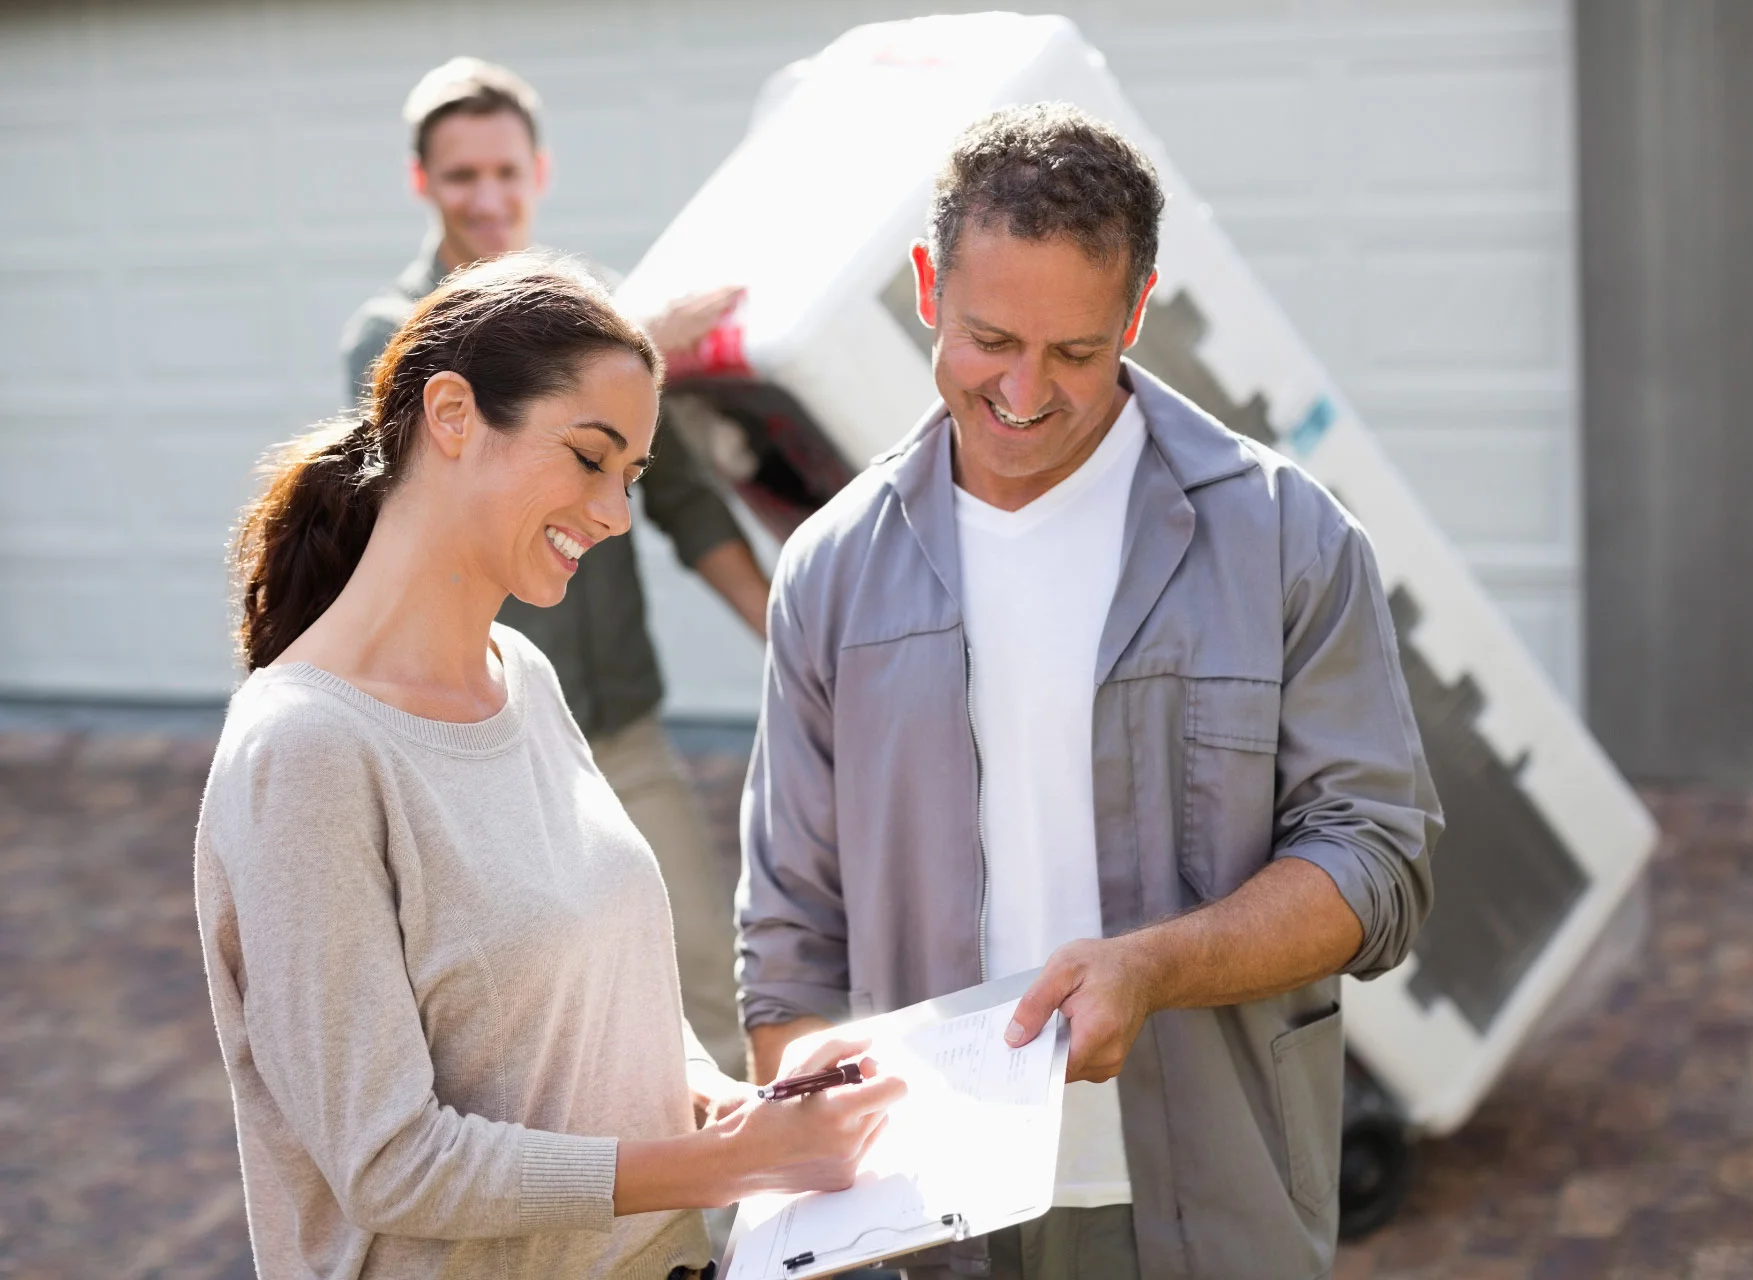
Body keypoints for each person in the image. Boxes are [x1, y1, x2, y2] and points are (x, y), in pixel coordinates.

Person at [737, 104, 1442, 1278]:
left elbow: (1380, 862)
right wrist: (823, 1182)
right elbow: (791, 930)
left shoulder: (1286, 536)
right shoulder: (832, 568)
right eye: (989, 339)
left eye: (1074, 351)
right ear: (926, 285)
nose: (1023, 391)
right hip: (930, 1216)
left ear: (1138, 309)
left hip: (1211, 1199)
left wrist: (1155, 965)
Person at [198, 254, 902, 1279]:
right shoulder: (305, 753)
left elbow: (601, 1030)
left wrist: (743, 1105)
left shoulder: (519, 675)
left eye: (634, 476)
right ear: (450, 413)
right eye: (588, 457)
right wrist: (725, 1165)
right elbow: (392, 1163)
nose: (615, 513)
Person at [342, 57, 762, 1076]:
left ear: (540, 170)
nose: (486, 200)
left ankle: (751, 1228)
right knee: (539, 1024)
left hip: (618, 728)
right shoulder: (388, 337)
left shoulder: (603, 307)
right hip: (476, 754)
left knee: (707, 973)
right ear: (421, 184)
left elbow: (686, 499)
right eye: (459, 178)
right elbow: (434, 476)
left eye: (504, 172)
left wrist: (790, 628)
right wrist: (631, 354)